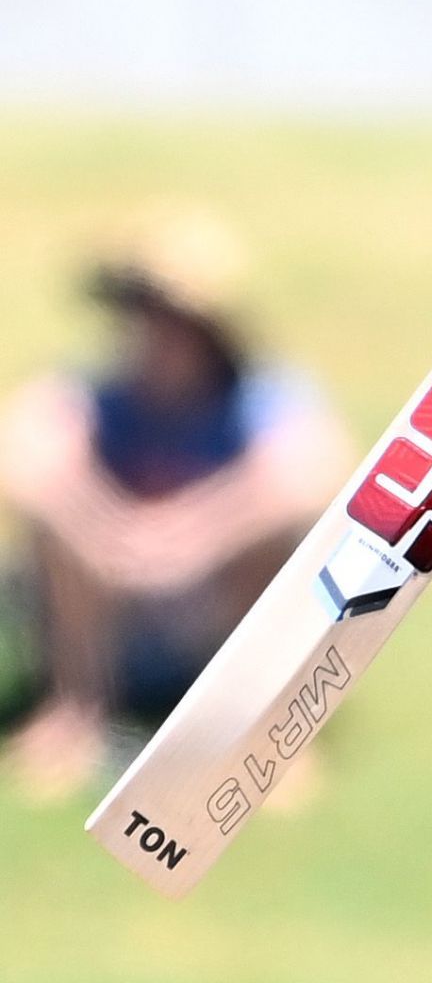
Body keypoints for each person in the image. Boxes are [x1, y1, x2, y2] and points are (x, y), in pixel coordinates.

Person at [0, 205, 349, 799]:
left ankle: (265, 735)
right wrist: (105, 528)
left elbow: (317, 472)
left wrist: (193, 533)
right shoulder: (100, 396)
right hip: (107, 612)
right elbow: (22, 454)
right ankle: (76, 714)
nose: (153, 331)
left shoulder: (259, 398)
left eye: (171, 316)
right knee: (53, 526)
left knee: (278, 541)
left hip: (211, 611)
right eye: (142, 312)